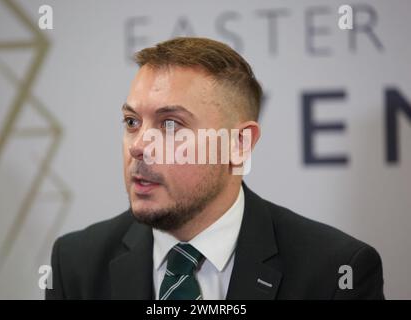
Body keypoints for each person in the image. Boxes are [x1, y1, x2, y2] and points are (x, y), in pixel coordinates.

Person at [46, 37, 384, 300]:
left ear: (238, 145)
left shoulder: (335, 272)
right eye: (132, 121)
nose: (137, 145)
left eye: (170, 124)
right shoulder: (76, 263)